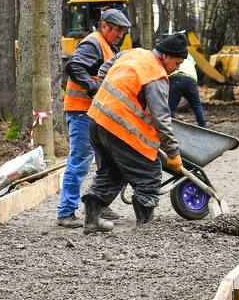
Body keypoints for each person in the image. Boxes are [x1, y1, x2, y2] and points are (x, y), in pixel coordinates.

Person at [80, 32, 189, 232]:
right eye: (177, 63)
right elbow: (162, 119)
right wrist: (173, 153)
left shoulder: (133, 53)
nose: (177, 69)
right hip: (120, 127)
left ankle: (92, 222)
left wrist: (111, 96)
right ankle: (145, 229)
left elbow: (104, 69)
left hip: (97, 118)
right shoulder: (156, 75)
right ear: (165, 56)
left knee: (110, 172)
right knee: (149, 173)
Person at [56, 8, 131, 228]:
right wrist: (92, 89)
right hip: (82, 111)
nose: (120, 35)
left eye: (123, 32)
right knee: (79, 161)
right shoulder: (93, 43)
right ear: (105, 26)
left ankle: (99, 204)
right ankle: (66, 212)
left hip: (94, 112)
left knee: (105, 160)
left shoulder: (107, 45)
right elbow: (74, 66)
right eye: (118, 30)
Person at [168, 51, 206, 126]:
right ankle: (202, 125)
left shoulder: (174, 53)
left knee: (171, 106)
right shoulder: (190, 56)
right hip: (191, 80)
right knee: (196, 105)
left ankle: (170, 126)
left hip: (176, 78)